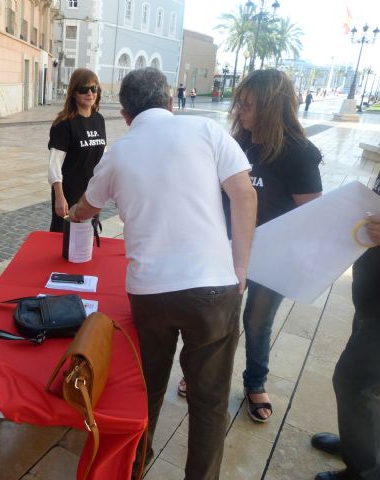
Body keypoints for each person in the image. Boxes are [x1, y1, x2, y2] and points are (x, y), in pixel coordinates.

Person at [68, 67, 257, 479]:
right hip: (212, 286)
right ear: (171, 103)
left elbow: (88, 206)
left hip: (150, 291)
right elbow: (244, 192)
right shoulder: (206, 131)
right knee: (208, 401)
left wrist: (74, 213)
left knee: (147, 387)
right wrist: (240, 265)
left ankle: (135, 465)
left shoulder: (118, 152)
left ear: (125, 113)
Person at [229, 69, 322, 422]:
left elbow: (313, 215)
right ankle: (206, 374)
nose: (240, 111)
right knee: (221, 317)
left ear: (272, 106)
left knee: (256, 322)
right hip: (232, 248)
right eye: (240, 103)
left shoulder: (299, 153)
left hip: (274, 258)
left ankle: (255, 383)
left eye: (249, 104)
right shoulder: (240, 142)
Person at [310, 149, 380, 480]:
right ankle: (361, 445)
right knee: (378, 386)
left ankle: (368, 474)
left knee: (355, 382)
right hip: (375, 295)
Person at [47, 68, 106, 232]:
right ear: (74, 93)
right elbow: (54, 166)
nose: (90, 93)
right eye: (83, 89)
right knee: (64, 240)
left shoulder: (99, 120)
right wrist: (59, 197)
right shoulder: (64, 123)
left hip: (91, 194)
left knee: (87, 237)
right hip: (69, 194)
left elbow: (103, 159)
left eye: (93, 88)